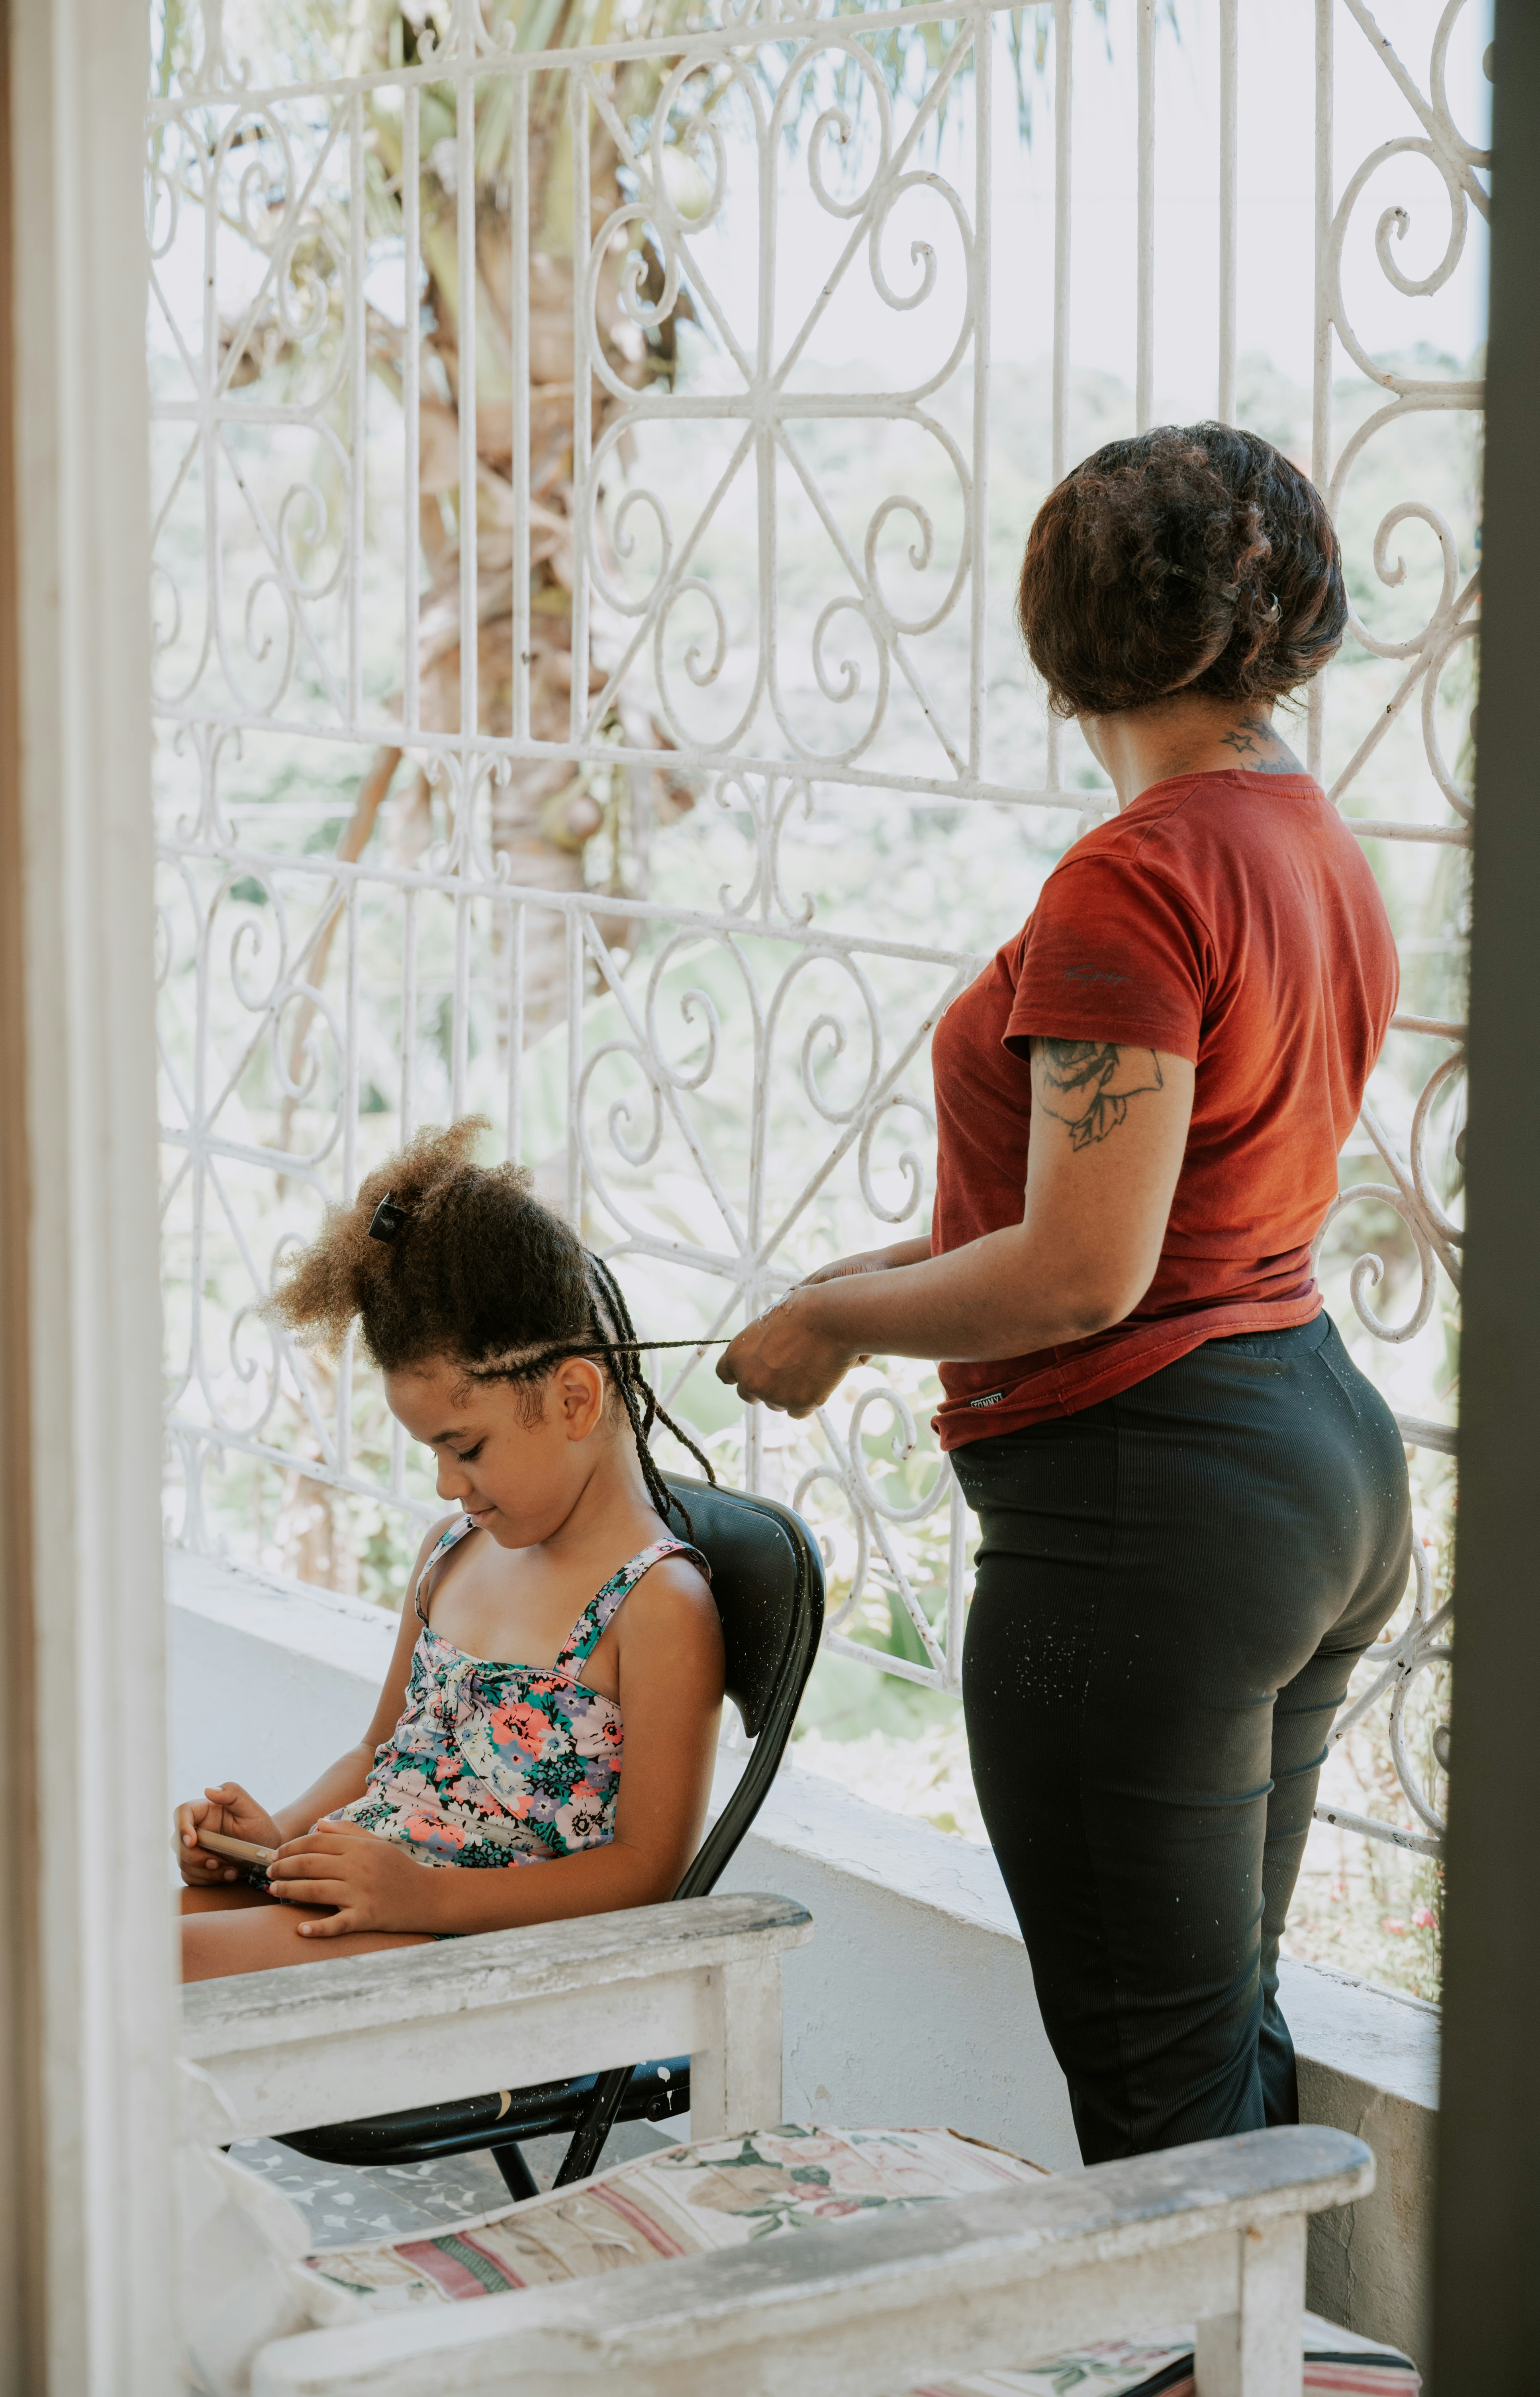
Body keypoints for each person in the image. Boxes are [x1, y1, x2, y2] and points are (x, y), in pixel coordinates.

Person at [717, 424, 1411, 2164]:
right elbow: (1155, 1210)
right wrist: (867, 1269)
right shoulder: (1306, 839)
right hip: (1307, 1451)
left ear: (1059, 636)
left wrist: (826, 1331)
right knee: (1213, 2039)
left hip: (1148, 1510)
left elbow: (1083, 1270)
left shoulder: (1132, 875)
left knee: (1156, 2101)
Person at [175, 1120, 724, 1985]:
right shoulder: (454, 1553)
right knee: (76, 1924)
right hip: (382, 1899)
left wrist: (425, 1897)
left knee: (137, 1965)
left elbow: (646, 1871)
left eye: (464, 1447)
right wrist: (273, 1845)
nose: (445, 1483)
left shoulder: (656, 1604)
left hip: (470, 1945)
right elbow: (375, 1755)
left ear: (575, 1397)